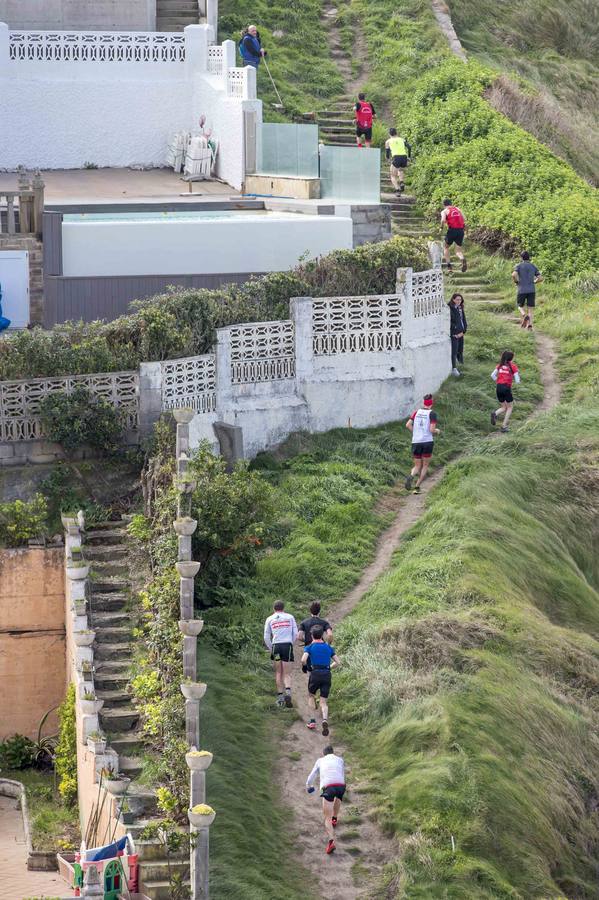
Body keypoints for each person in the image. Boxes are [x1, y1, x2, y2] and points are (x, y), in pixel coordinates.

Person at [306, 744, 346, 855]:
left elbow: (312, 776)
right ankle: (335, 818)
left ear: (323, 754)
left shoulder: (320, 761)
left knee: (327, 817)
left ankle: (331, 842)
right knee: (338, 797)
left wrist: (309, 786)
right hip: (341, 785)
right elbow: (342, 774)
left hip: (328, 787)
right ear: (333, 752)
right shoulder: (340, 760)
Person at [301, 625, 340, 735]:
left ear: (312, 635)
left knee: (311, 696)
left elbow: (303, 660)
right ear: (322, 635)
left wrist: (305, 667)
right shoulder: (328, 647)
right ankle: (324, 719)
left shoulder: (309, 647)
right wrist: (329, 667)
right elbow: (338, 662)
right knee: (323, 701)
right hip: (326, 674)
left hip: (315, 674)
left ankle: (312, 721)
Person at [263, 600, 298, 708]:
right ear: (283, 608)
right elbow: (295, 634)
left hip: (276, 647)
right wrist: (291, 643)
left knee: (278, 672)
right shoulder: (290, 617)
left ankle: (280, 698)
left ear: (274, 608)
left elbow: (266, 637)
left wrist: (271, 648)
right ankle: (288, 693)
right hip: (287, 645)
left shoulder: (269, 619)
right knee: (287, 673)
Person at [404, 394, 440, 494]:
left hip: (416, 442)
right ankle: (417, 487)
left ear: (424, 403)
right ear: (431, 403)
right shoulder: (432, 414)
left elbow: (408, 425)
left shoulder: (416, 412)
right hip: (427, 442)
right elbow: (431, 430)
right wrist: (437, 431)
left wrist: (416, 433)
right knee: (425, 465)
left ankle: (411, 475)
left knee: (417, 466)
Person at [491, 350, 520, 433]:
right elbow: (517, 380)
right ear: (511, 358)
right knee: (510, 407)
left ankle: (495, 413)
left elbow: (492, 375)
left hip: (498, 387)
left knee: (504, 407)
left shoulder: (499, 365)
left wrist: (498, 381)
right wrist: (516, 381)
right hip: (506, 388)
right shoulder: (513, 366)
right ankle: (503, 426)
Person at [512, 251, 542, 330]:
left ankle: (524, 315)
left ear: (521, 258)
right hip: (531, 290)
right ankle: (530, 326)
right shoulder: (533, 266)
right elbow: (540, 278)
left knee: (519, 306)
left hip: (521, 290)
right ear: (529, 258)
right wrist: (534, 282)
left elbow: (514, 275)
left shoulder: (519, 266)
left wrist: (516, 282)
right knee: (530, 309)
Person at [441, 199, 467, 272]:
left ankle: (449, 267)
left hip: (452, 230)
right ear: (451, 203)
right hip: (460, 231)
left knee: (446, 247)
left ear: (444, 205)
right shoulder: (457, 209)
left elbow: (443, 220)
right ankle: (462, 259)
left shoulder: (444, 211)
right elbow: (464, 219)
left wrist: (441, 227)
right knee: (458, 251)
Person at [385, 128, 411, 194]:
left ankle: (397, 190)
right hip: (404, 157)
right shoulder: (402, 139)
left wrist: (388, 159)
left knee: (393, 175)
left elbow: (387, 153)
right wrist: (409, 157)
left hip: (396, 157)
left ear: (389, 134)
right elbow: (409, 147)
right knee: (400, 170)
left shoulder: (388, 141)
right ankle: (401, 182)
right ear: (396, 133)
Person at [448, 292, 467, 377]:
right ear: (453, 300)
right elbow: (449, 321)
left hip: (461, 333)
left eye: (460, 300)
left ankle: (461, 365)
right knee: (454, 351)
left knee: (460, 350)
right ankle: (454, 368)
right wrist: (455, 329)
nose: (459, 301)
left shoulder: (460, 308)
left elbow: (464, 320)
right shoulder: (450, 308)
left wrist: (463, 331)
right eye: (457, 299)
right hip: (454, 334)